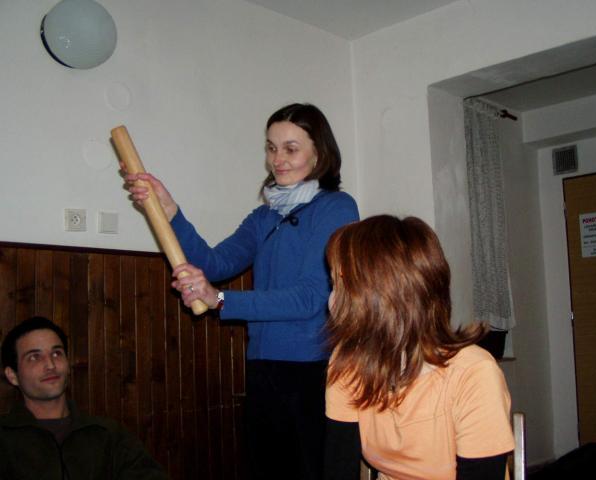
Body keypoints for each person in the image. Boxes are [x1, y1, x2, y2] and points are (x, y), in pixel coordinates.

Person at [122, 103, 359, 480]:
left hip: (313, 370)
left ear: (319, 153)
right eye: (271, 148)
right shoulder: (264, 217)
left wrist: (219, 299)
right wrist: (170, 211)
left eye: (291, 148)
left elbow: (309, 298)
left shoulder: (336, 208)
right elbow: (214, 263)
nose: (277, 159)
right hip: (262, 367)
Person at [323, 215, 514, 480]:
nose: (331, 300)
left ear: (381, 294)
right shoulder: (349, 363)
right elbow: (338, 468)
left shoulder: (473, 374)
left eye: (339, 283)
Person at [0, 316, 167, 480]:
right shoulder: (4, 439)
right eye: (34, 357)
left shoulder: (107, 435)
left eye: (57, 353)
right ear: (13, 375)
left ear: (68, 364)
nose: (50, 365)